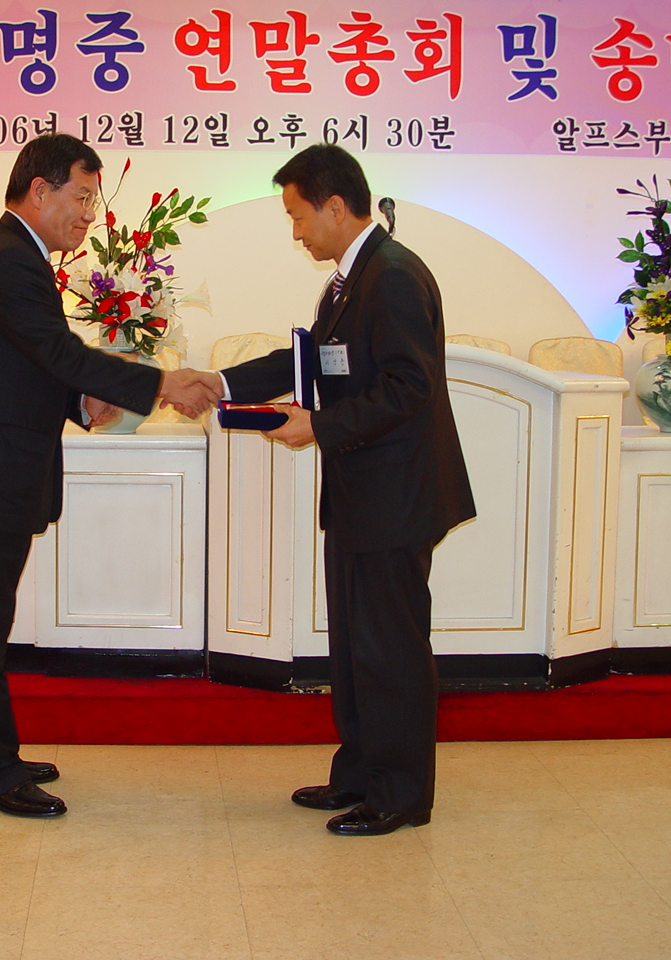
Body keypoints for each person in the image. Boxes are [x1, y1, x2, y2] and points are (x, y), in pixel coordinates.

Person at [0, 133, 218, 818]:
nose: (88, 215)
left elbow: (28, 365)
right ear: (38, 190)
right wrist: (162, 382)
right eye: (80, 197)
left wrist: (82, 402)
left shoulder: (13, 256)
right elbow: (56, 351)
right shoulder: (7, 261)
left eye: (92, 201)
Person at [210, 145, 475, 836]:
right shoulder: (348, 281)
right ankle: (359, 774)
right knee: (357, 651)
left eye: (298, 216)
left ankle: (401, 795)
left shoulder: (393, 277)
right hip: (362, 494)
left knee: (390, 650)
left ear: (335, 206)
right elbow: (311, 362)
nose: (296, 231)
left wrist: (319, 426)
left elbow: (409, 387)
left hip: (395, 497)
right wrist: (221, 384)